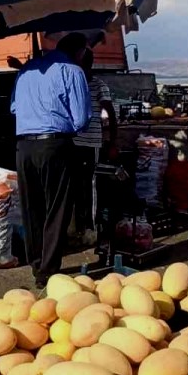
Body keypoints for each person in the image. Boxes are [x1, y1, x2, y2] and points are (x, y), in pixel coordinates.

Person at [12, 32, 91, 288]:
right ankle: (48, 271)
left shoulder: (26, 70)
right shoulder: (73, 71)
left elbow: (14, 108)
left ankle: (36, 264)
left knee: (32, 207)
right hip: (54, 144)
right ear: (80, 52)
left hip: (24, 146)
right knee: (57, 207)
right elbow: (81, 119)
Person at [71, 49, 118, 245]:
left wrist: (113, 142)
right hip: (72, 142)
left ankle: (90, 228)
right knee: (73, 185)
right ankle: (75, 227)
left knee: (89, 185)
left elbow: (111, 114)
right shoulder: (71, 83)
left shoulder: (99, 85)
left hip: (91, 143)